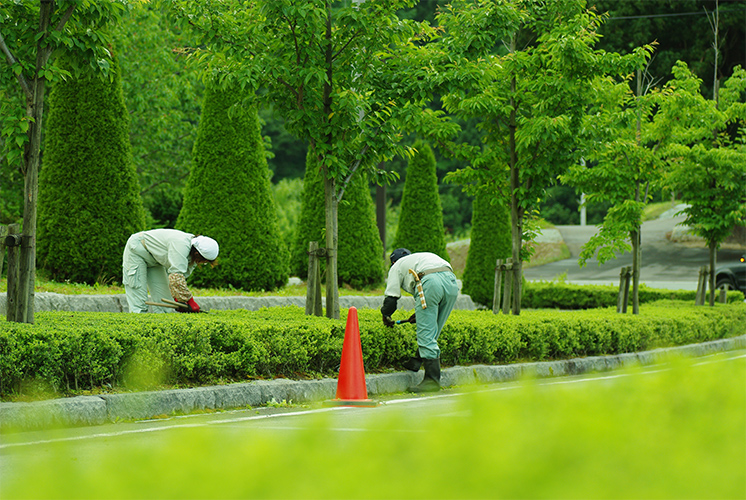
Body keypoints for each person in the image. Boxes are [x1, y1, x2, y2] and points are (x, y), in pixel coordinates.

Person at [381, 248, 459, 392]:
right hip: (452, 281)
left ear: (393, 262)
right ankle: (416, 361)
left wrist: (385, 316)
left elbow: (391, 299)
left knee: (426, 333)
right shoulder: (420, 258)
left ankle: (432, 381)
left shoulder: (396, 266)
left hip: (430, 282)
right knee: (433, 327)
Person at [122, 229, 218, 313]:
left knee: (164, 304)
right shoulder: (181, 245)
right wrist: (190, 301)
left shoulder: (193, 253)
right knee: (139, 304)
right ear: (197, 254)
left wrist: (180, 300)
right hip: (137, 250)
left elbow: (181, 278)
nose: (201, 263)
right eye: (203, 261)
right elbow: (176, 276)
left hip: (155, 259)